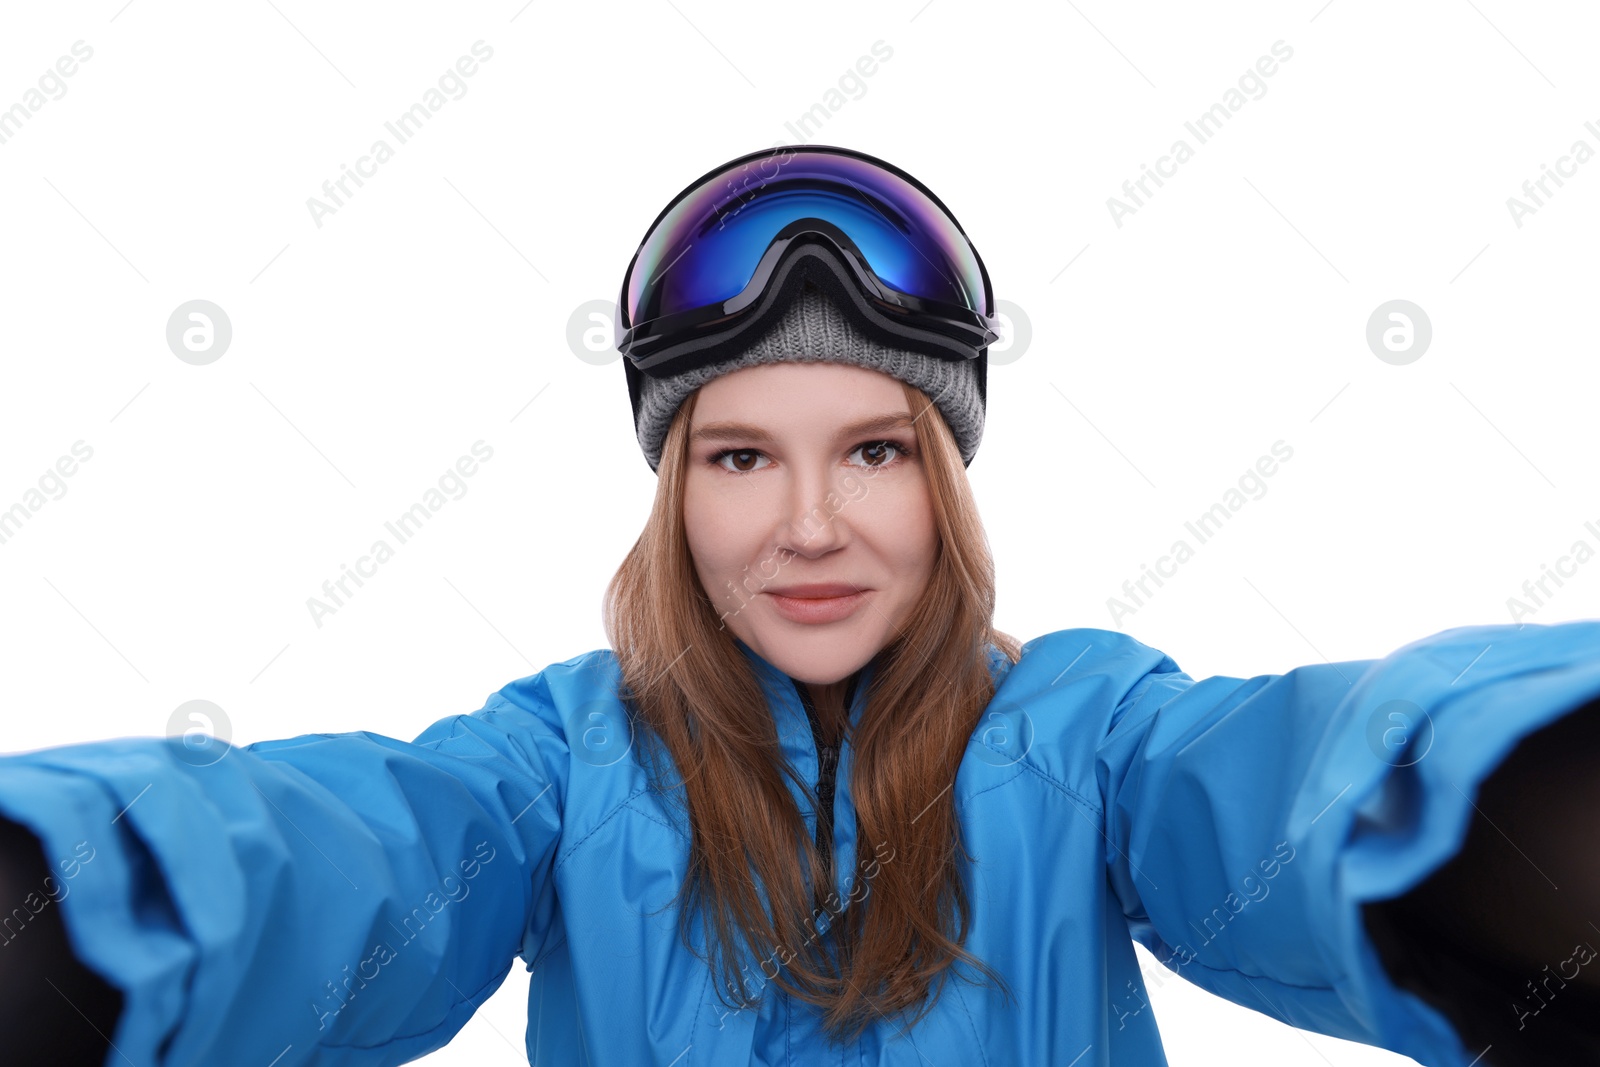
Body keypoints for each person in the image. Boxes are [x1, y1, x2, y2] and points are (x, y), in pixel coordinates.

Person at [1, 145, 1598, 1067]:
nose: (812, 525)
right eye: (745, 453)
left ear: (944, 482)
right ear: (676, 487)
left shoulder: (1090, 739)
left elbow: (1291, 793)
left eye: (879, 450)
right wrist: (67, 909)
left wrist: (1535, 818)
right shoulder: (557, 764)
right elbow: (338, 855)